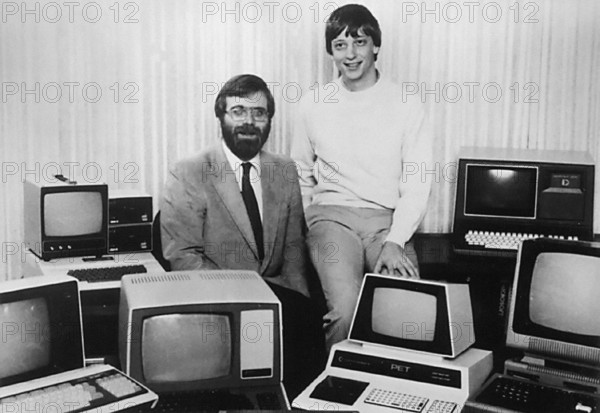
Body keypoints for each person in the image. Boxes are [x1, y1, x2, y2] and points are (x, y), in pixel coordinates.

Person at [160, 74, 325, 399]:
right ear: (220, 117)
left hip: (277, 303)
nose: (249, 121)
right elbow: (183, 257)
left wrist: (298, 307)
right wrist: (247, 300)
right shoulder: (189, 171)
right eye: (238, 111)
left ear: (269, 121)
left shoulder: (285, 170)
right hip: (218, 304)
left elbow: (293, 253)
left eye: (259, 113)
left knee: (308, 328)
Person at [291, 4, 432, 352]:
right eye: (340, 45)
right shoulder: (314, 104)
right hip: (331, 219)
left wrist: (396, 240)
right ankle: (333, 396)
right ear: (330, 52)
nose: (350, 55)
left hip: (386, 224)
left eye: (359, 42)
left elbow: (417, 181)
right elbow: (300, 172)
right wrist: (311, 222)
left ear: (376, 46)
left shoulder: (406, 103)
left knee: (405, 308)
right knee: (347, 310)